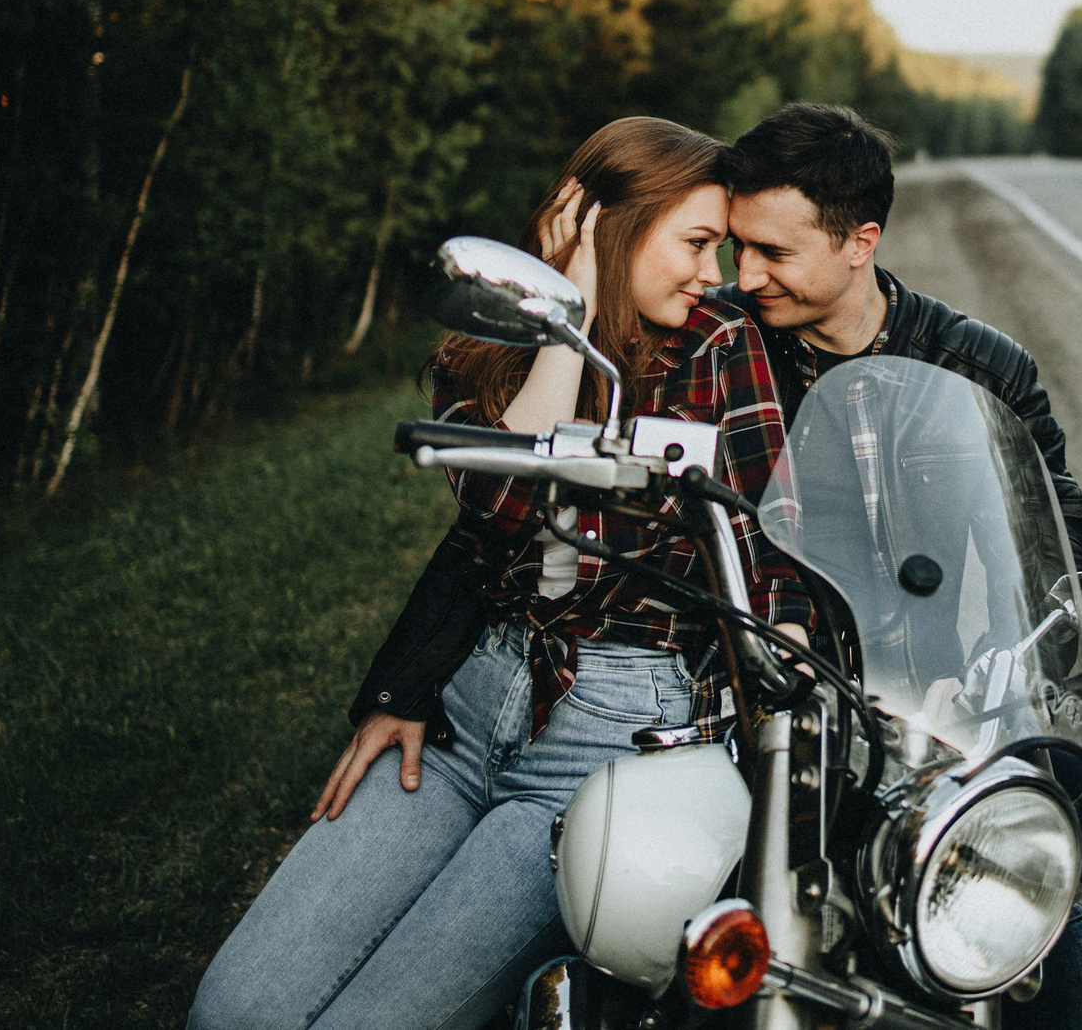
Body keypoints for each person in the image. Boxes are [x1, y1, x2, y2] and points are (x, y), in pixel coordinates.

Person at [189, 117, 810, 1030]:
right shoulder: (493, 337)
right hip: (471, 705)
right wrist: (568, 319)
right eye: (696, 243)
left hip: (612, 749)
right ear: (612, 228)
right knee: (233, 1010)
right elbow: (503, 508)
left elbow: (774, 535)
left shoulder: (719, 343)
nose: (712, 273)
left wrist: (786, 638)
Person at [723, 103, 1082, 1030]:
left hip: (958, 716)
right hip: (800, 721)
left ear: (861, 240)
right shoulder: (729, 359)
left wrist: (1025, 666)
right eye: (738, 246)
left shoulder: (981, 363)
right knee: (1055, 948)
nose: (745, 274)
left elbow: (1060, 551)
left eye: (772, 251)